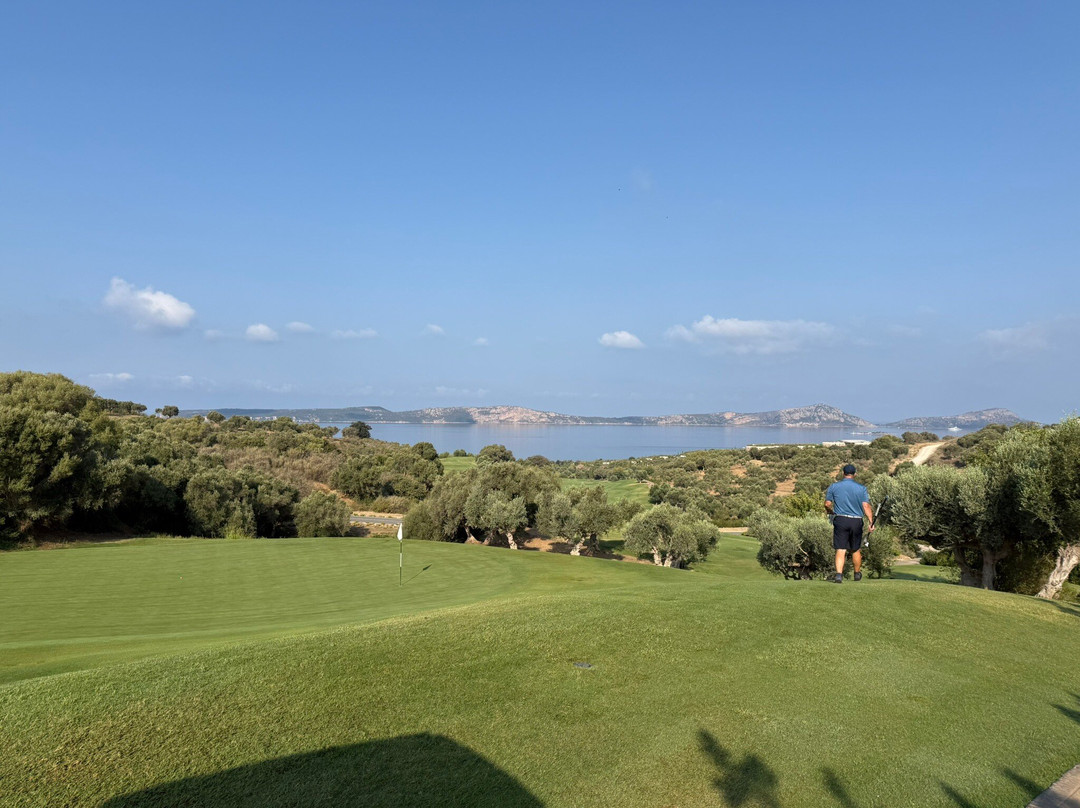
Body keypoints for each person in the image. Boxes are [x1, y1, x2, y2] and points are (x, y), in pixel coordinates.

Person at [824, 464, 875, 584]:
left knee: (840, 549)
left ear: (843, 473)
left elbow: (827, 504)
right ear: (855, 474)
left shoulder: (834, 486)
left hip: (840, 520)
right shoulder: (861, 488)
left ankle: (838, 575)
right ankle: (857, 574)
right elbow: (866, 506)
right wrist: (871, 522)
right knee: (855, 549)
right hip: (856, 521)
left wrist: (830, 512)